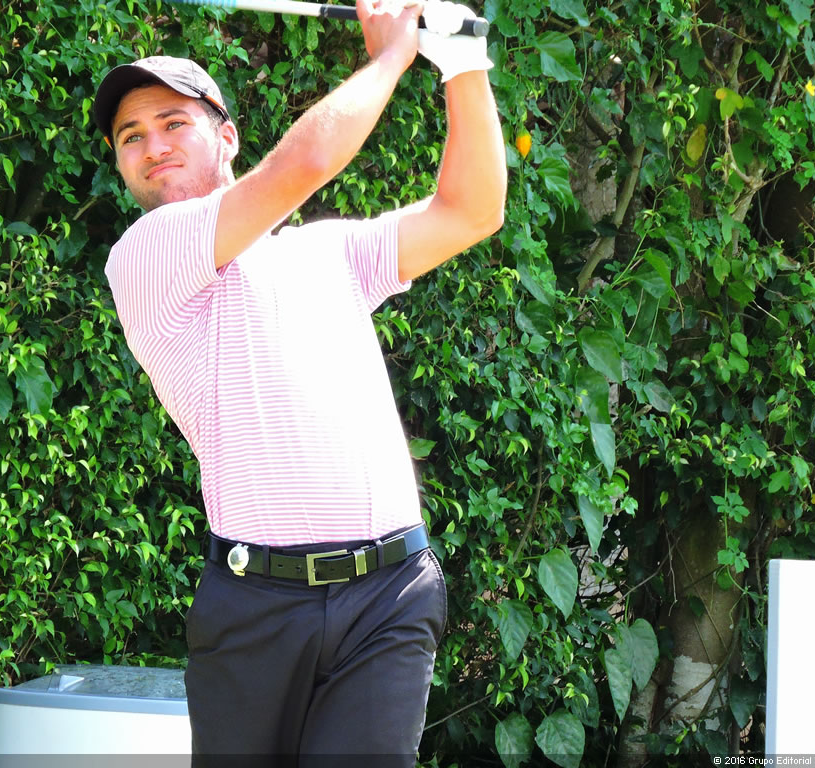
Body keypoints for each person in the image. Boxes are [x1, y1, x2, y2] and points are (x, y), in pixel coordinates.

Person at [91, 0, 506, 763]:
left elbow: (471, 210)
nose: (152, 146)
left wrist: (462, 62)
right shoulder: (146, 255)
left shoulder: (328, 252)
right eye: (131, 137)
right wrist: (391, 55)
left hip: (388, 595)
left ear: (227, 137)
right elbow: (303, 167)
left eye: (173, 123)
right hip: (257, 608)